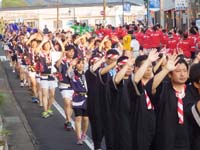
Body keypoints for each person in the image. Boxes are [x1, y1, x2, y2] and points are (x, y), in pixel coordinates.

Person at [149, 55, 193, 150]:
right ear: (170, 74)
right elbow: (150, 87)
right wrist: (166, 69)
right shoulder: (164, 89)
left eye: (185, 71)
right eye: (177, 71)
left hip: (188, 142)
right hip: (165, 142)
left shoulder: (192, 91)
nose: (182, 74)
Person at [68, 59, 89, 145]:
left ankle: (84, 133)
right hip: (77, 97)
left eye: (82, 63)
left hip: (87, 97)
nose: (80, 65)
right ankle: (79, 137)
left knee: (86, 118)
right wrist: (71, 65)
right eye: (79, 63)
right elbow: (68, 73)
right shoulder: (73, 74)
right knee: (78, 118)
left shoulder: (87, 73)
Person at [55, 44, 75, 130]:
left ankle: (67, 120)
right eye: (70, 51)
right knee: (67, 103)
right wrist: (61, 55)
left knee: (71, 104)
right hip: (64, 85)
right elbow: (57, 65)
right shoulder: (63, 61)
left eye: (73, 51)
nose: (72, 53)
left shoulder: (75, 61)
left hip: (74, 86)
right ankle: (69, 121)